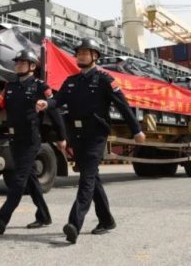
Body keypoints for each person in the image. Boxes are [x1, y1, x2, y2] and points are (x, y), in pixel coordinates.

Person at [54, 37, 146, 244]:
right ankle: (106, 220)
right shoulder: (71, 81)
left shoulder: (105, 80)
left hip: (96, 136)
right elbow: (56, 101)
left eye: (85, 53)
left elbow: (123, 105)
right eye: (78, 53)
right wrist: (45, 103)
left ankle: (74, 224)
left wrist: (136, 130)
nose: (80, 56)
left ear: (95, 56)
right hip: (77, 136)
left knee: (86, 178)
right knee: (92, 178)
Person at [0, 49, 67, 235]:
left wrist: (61, 136)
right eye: (17, 62)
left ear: (32, 66)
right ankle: (44, 216)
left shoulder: (40, 86)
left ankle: (2, 218)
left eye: (22, 62)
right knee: (30, 179)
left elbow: (54, 111)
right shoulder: (10, 86)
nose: (18, 65)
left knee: (19, 179)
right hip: (15, 139)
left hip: (31, 140)